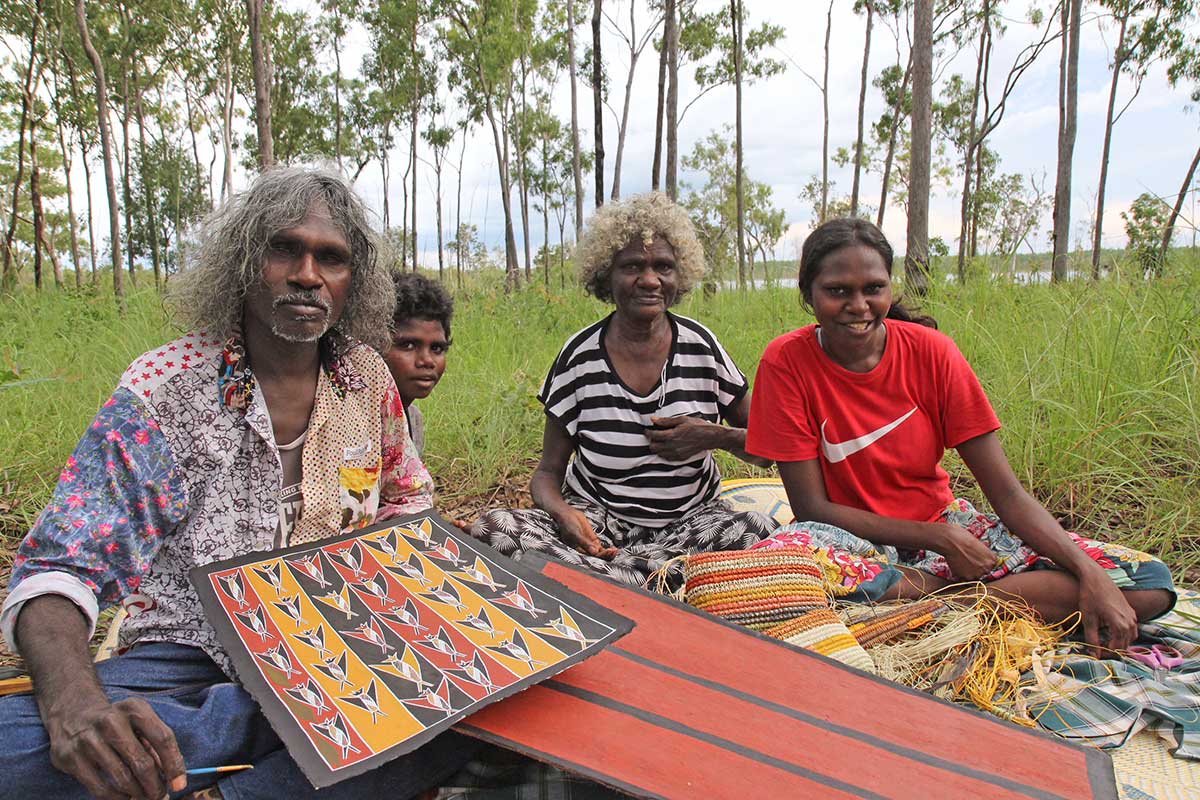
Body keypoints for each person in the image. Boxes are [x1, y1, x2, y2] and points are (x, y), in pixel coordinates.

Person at [0, 168, 476, 800]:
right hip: (189, 655)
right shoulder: (166, 389)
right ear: (244, 261)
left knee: (471, 707)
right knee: (26, 746)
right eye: (285, 249)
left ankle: (230, 763)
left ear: (353, 282)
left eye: (331, 259)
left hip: (337, 643)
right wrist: (75, 709)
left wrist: (367, 604)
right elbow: (59, 567)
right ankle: (271, 746)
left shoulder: (365, 379)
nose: (307, 275)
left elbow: (407, 496)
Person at [746, 217, 1175, 655]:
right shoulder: (787, 361)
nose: (858, 305)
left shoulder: (932, 353)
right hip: (853, 543)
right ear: (808, 295)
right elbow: (812, 508)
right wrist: (939, 541)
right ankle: (981, 600)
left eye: (873, 288)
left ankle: (942, 605)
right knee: (778, 572)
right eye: (838, 291)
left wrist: (1089, 573)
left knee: (1149, 584)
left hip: (943, 525)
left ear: (890, 288)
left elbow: (1007, 494)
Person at [470, 192, 776, 588]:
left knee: (757, 528)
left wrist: (715, 435)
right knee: (492, 528)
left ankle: (612, 583)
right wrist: (564, 514)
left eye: (663, 267)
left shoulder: (702, 347)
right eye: (632, 266)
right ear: (606, 276)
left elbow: (769, 451)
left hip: (692, 523)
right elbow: (546, 474)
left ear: (678, 276)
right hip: (599, 523)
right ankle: (664, 581)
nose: (649, 280)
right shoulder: (579, 357)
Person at [382, 271, 454, 456]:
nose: (427, 361)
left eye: (437, 348)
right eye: (408, 345)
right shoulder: (352, 422)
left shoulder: (413, 419)